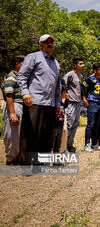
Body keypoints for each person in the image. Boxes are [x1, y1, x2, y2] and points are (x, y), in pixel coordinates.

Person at [18, 34, 62, 165]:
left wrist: (58, 103)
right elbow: (22, 76)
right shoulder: (33, 57)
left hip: (50, 103)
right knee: (30, 134)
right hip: (34, 101)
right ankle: (25, 163)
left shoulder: (55, 62)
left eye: (51, 42)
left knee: (46, 135)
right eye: (46, 42)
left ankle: (40, 163)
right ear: (41, 44)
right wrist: (25, 93)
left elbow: (58, 85)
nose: (50, 44)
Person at [3, 55, 25, 165]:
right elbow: (9, 95)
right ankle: (10, 159)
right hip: (14, 105)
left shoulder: (20, 77)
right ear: (17, 64)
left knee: (19, 134)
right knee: (12, 134)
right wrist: (12, 113)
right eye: (23, 63)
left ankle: (18, 157)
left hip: (21, 106)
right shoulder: (11, 77)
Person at [81, 62, 100, 152]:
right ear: (95, 71)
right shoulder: (90, 79)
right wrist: (84, 99)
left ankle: (94, 143)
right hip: (92, 103)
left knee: (97, 125)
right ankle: (87, 144)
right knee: (91, 124)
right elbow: (82, 87)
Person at [63, 57, 84, 152]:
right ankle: (63, 147)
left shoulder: (80, 76)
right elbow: (63, 85)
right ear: (75, 65)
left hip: (78, 103)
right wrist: (65, 95)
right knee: (69, 124)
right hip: (70, 103)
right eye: (80, 63)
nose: (82, 65)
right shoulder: (70, 75)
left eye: (83, 63)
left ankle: (70, 144)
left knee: (76, 124)